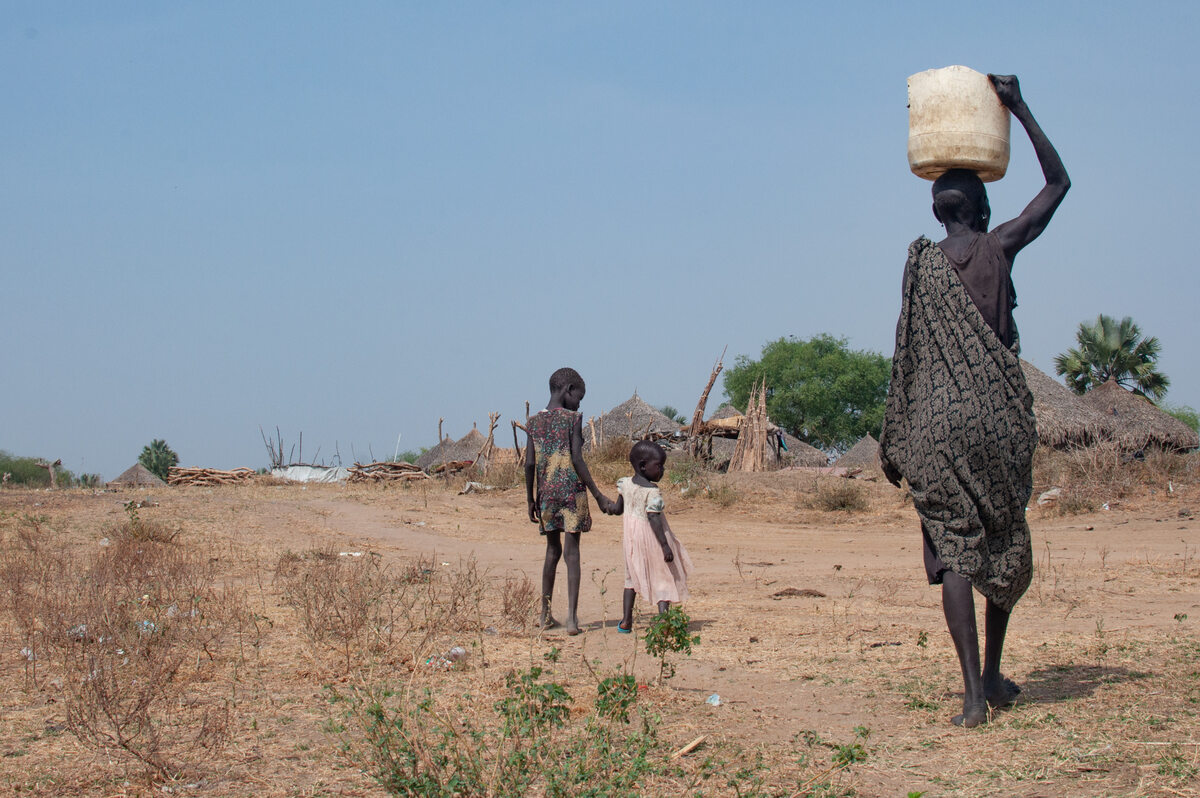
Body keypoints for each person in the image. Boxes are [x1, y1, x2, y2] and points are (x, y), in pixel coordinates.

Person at [879, 74, 1070, 727]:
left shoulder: (920, 263)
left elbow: (904, 352)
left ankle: (971, 696)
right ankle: (992, 672)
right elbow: (1057, 185)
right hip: (994, 420)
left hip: (933, 425)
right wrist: (1018, 105)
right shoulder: (999, 248)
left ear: (936, 212)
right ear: (983, 211)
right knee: (1000, 535)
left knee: (954, 547)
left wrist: (894, 435)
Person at [525, 367, 614, 635]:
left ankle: (544, 615)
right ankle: (573, 620)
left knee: (552, 552)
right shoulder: (573, 419)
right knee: (572, 553)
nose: (579, 403)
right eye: (580, 397)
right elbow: (577, 459)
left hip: (547, 496)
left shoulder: (533, 423)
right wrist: (598, 495)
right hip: (572, 494)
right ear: (569, 391)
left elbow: (529, 464)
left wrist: (529, 498)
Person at [607, 440, 693, 633]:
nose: (661, 470)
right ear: (643, 466)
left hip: (631, 540)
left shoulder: (625, 484)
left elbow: (618, 508)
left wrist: (607, 507)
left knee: (630, 578)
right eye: (659, 466)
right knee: (662, 576)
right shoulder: (653, 492)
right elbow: (653, 518)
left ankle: (626, 621)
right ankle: (663, 622)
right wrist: (664, 545)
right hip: (652, 539)